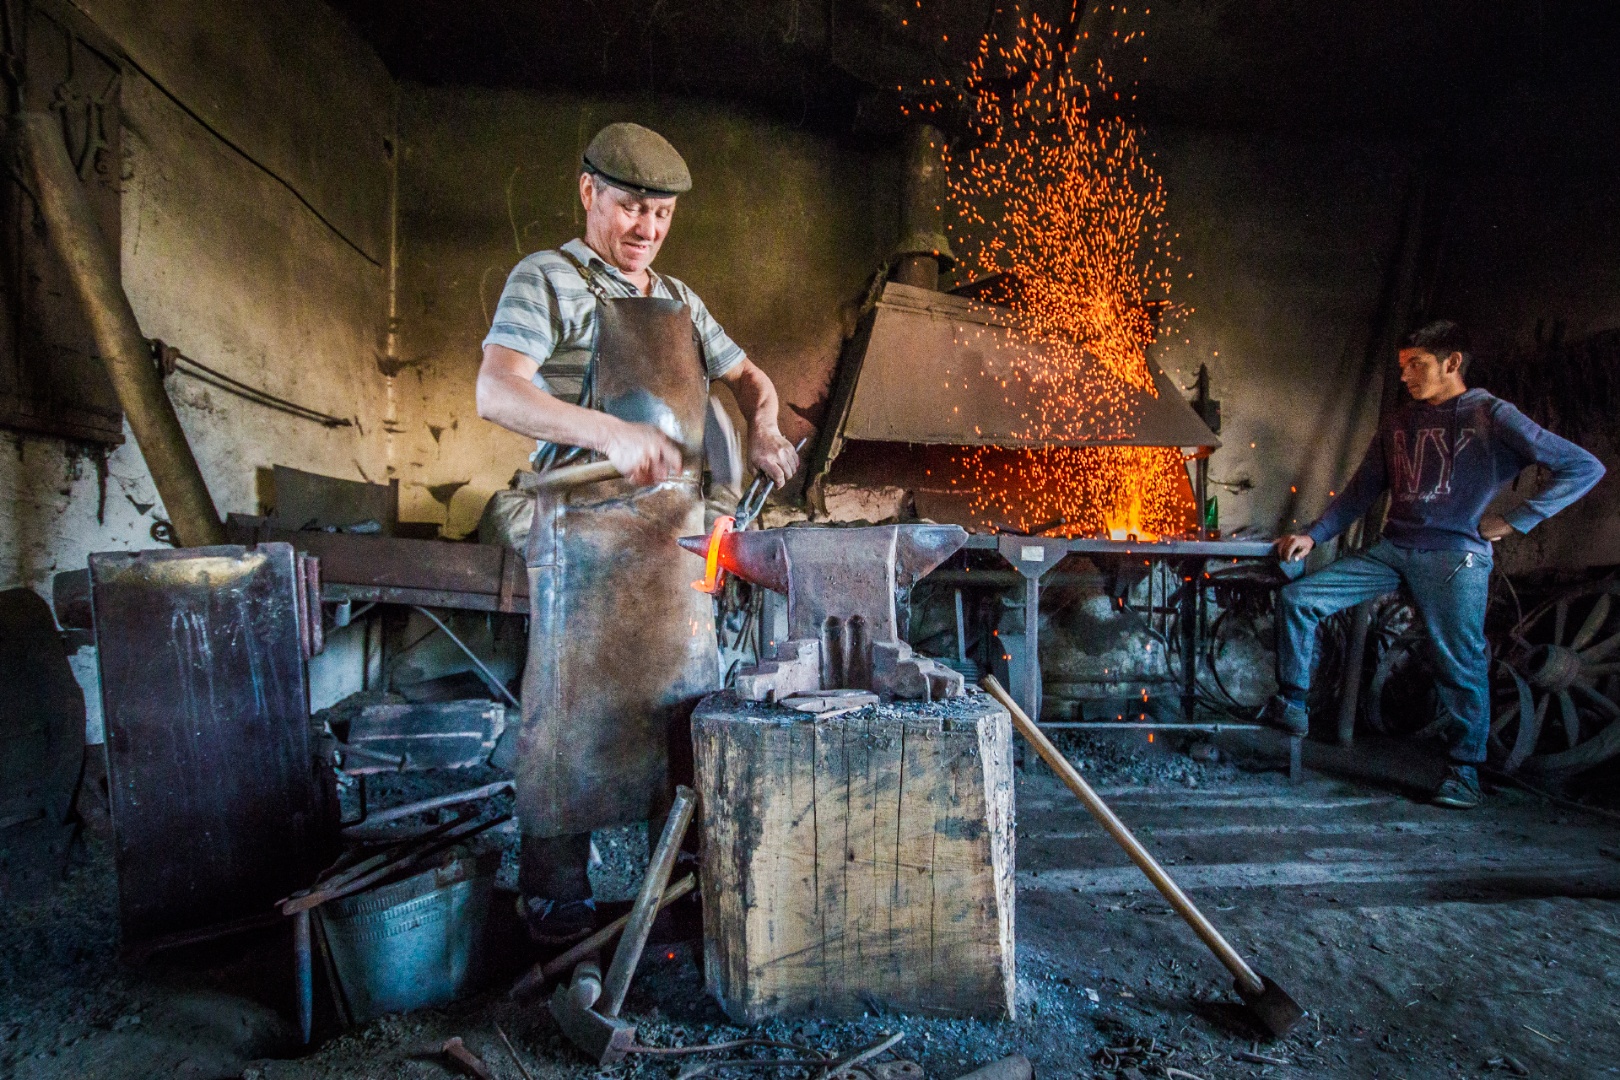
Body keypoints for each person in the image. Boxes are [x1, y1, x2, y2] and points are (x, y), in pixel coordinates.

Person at [475, 122, 798, 943]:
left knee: (679, 716)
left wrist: (764, 426)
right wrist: (607, 432)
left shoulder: (681, 300)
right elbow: (497, 391)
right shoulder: (546, 280)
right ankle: (555, 900)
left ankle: (682, 887)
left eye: (661, 215)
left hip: (676, 546)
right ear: (589, 192)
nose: (646, 229)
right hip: (583, 541)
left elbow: (750, 378)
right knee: (569, 724)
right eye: (630, 208)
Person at [1266, 320, 1604, 808]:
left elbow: (1584, 466)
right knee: (1299, 598)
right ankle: (1293, 703)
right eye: (1402, 366)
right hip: (1394, 549)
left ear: (1452, 363)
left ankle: (1464, 773)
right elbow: (1361, 491)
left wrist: (1515, 520)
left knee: (1459, 660)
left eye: (1416, 365)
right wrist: (1313, 534)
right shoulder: (1398, 423)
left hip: (1455, 557)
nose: (1405, 376)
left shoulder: (1491, 414)